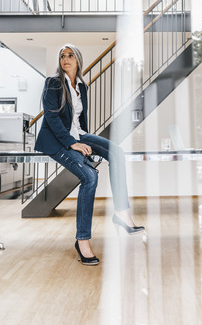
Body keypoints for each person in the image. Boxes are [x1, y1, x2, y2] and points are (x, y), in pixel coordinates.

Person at [35, 44, 144, 266]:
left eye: (70, 55)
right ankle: (82, 240)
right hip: (57, 140)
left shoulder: (81, 86)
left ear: (78, 60)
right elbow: (53, 118)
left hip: (78, 135)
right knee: (90, 177)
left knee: (117, 152)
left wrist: (88, 145)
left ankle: (122, 212)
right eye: (62, 55)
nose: (65, 59)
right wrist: (72, 144)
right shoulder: (53, 83)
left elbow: (79, 121)